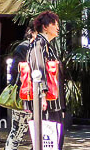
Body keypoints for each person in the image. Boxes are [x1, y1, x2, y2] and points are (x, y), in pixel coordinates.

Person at [25, 11, 65, 150]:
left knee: (52, 137)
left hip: (53, 100)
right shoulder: (38, 44)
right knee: (48, 138)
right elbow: (38, 70)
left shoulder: (48, 45)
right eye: (54, 24)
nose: (57, 27)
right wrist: (42, 96)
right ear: (45, 27)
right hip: (46, 100)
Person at [5, 27, 36, 150]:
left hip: (32, 93)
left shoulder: (38, 48)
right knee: (18, 130)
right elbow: (17, 71)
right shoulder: (24, 48)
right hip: (24, 93)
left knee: (21, 129)